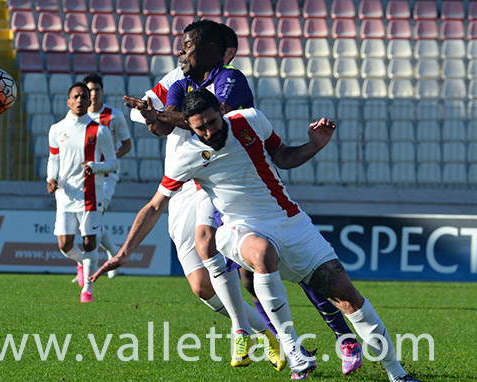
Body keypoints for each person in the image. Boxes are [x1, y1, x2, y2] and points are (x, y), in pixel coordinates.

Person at [91, 88, 422, 382]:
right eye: (199, 128)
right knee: (261, 254)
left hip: (291, 222)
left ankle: (398, 374)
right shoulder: (187, 156)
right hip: (239, 228)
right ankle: (291, 345)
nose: (208, 131)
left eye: (211, 122)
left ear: (221, 110)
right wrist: (123, 253)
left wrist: (314, 145)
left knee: (346, 294)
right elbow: (154, 206)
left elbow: (283, 157)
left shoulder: (251, 120)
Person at [126, 20, 362, 377]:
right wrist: (153, 116)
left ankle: (342, 337)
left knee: (295, 268)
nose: (180, 51)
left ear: (218, 51)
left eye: (187, 45)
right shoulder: (181, 80)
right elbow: (160, 123)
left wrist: (161, 114)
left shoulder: (230, 78)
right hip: (198, 179)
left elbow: (207, 118)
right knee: (242, 278)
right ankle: (278, 339)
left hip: (240, 182)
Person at [46, 82, 118, 303]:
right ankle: (80, 263)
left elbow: (113, 164)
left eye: (83, 97)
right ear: (68, 101)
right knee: (64, 245)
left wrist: (96, 167)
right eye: (75, 97)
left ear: (89, 102)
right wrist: (51, 178)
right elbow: (53, 158)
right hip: (65, 195)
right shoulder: (57, 129)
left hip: (91, 194)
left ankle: (87, 289)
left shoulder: (100, 130)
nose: (79, 100)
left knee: (89, 242)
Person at [77, 73, 133, 281]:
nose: (92, 94)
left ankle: (91, 265)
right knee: (88, 220)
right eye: (88, 90)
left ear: (102, 91)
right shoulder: (78, 117)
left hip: (107, 176)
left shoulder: (114, 116)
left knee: (95, 217)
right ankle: (112, 252)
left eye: (96, 90)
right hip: (83, 176)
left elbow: (127, 145)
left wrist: (110, 157)